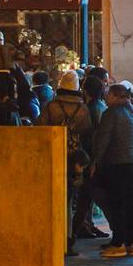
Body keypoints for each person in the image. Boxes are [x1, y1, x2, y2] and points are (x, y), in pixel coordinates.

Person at [90, 81, 133, 259]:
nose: (106, 98)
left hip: (119, 161)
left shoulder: (112, 113)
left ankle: (119, 242)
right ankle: (131, 243)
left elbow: (103, 139)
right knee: (131, 203)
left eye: (108, 95)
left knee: (117, 203)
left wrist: (96, 162)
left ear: (116, 96)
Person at [39, 70, 97, 251]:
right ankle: (68, 237)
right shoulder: (83, 109)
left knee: (55, 197)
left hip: (54, 155)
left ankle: (55, 235)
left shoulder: (52, 107)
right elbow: (88, 134)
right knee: (70, 196)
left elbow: (39, 128)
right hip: (75, 157)